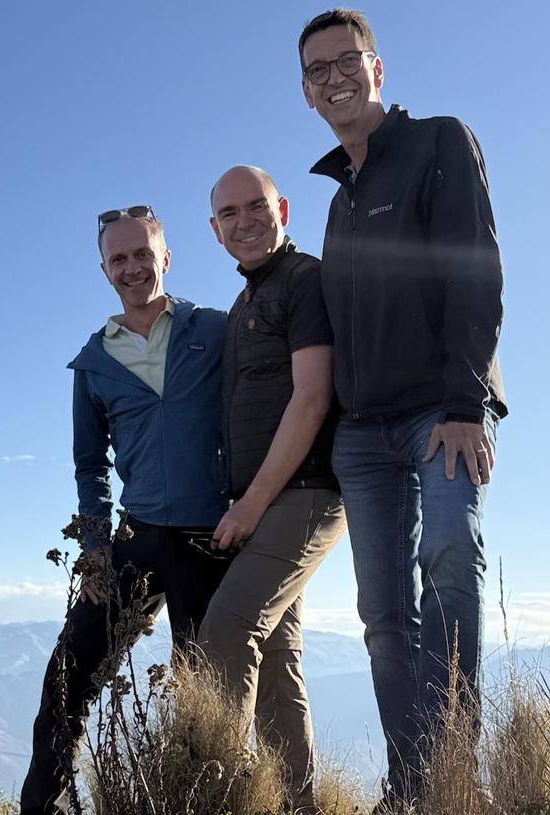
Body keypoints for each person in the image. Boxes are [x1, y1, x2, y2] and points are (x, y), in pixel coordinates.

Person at [297, 8, 509, 806]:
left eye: (347, 60)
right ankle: (410, 784)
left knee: (449, 562)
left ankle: (453, 779)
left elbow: (475, 269)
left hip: (441, 413)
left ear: (377, 69)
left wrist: (466, 404)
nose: (335, 77)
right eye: (317, 70)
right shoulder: (339, 199)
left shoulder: (439, 142)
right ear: (306, 92)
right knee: (383, 616)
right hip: (363, 436)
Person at [18, 207, 230, 815]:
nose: (132, 268)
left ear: (166, 258)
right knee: (67, 678)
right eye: (119, 259)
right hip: (136, 538)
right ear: (105, 270)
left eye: (143, 254)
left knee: (201, 691)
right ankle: (45, 807)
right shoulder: (93, 362)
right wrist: (95, 550)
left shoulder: (215, 330)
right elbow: (90, 466)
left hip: (211, 537)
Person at [197, 166, 346, 814]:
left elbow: (312, 399)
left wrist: (251, 503)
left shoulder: (305, 280)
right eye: (229, 214)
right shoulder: (243, 305)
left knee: (228, 630)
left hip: (306, 493)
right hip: (268, 500)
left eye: (255, 206)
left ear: (281, 208)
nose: (245, 221)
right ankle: (296, 804)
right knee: (278, 661)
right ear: (215, 230)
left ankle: (225, 800)